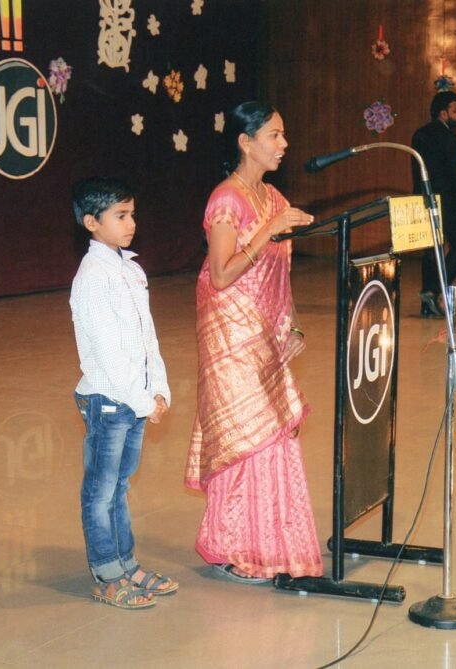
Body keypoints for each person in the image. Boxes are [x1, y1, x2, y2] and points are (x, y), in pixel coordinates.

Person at [185, 101, 324, 584]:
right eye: (274, 135)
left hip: (266, 333)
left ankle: (269, 541)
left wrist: (293, 326)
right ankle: (233, 547)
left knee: (272, 437)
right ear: (246, 142)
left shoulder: (273, 196)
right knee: (246, 437)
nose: (284, 144)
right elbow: (221, 275)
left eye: (283, 135)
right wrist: (269, 230)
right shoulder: (226, 200)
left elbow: (279, 274)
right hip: (231, 332)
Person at [69, 177, 177, 609]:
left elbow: (147, 339)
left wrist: (159, 388)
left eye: (132, 214)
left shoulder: (130, 269)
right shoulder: (93, 276)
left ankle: (127, 565)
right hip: (109, 401)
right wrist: (142, 400)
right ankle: (107, 574)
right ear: (92, 222)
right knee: (100, 492)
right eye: (120, 215)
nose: (131, 223)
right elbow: (108, 352)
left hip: (134, 400)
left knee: (119, 486)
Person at [411, 90, 456, 319]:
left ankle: (427, 305)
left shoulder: (419, 135)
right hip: (450, 203)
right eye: (455, 110)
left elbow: (416, 172)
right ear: (443, 113)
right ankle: (433, 289)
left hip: (425, 200)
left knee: (431, 251)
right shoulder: (450, 138)